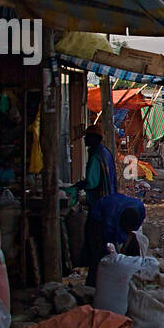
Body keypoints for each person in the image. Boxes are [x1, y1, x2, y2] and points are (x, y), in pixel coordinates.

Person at [74, 122, 117, 286]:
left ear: (94, 139)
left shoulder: (95, 156)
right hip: (109, 203)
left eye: (87, 137)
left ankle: (94, 280)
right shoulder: (106, 153)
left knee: (95, 243)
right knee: (104, 242)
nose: (85, 140)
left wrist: (79, 186)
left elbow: (92, 183)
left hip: (99, 206)